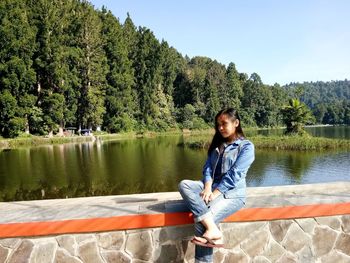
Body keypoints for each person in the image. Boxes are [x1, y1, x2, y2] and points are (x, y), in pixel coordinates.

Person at [178, 108, 255, 263]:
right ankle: (214, 230)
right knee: (184, 185)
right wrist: (207, 187)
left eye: (224, 124)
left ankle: (206, 248)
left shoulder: (246, 147)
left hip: (232, 194)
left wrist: (214, 194)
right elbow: (207, 168)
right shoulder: (217, 144)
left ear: (236, 123)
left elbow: (234, 176)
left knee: (203, 220)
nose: (220, 128)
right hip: (211, 187)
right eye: (218, 124)